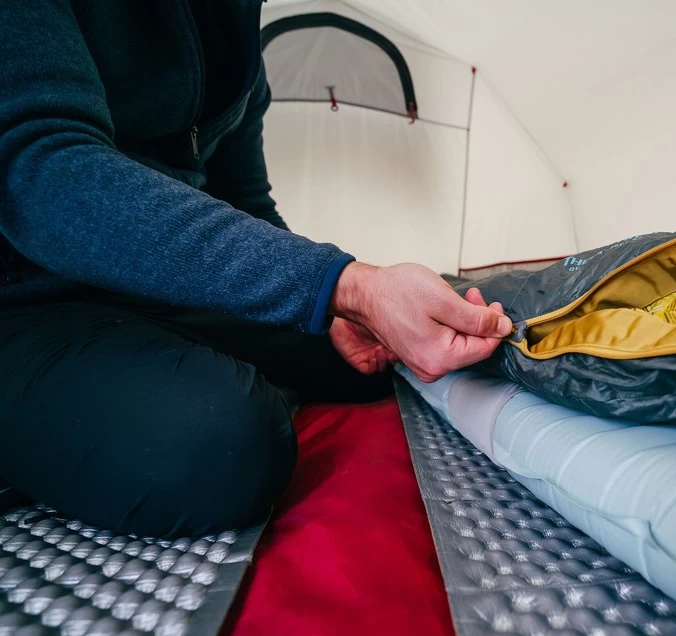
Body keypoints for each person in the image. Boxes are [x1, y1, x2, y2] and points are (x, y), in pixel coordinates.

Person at [0, 2, 513, 537]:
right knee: (219, 447)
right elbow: (43, 176)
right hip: (28, 296)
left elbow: (246, 201)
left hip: (160, 283)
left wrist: (333, 306)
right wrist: (347, 286)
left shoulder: (234, 27)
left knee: (359, 360)